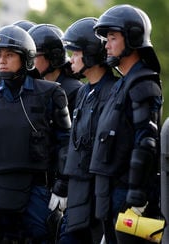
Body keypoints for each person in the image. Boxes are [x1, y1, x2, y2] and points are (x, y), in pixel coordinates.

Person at [0, 24, 71, 243]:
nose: (1, 60)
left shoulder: (51, 93)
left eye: (9, 55)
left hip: (36, 193)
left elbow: (66, 143)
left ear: (26, 58)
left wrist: (62, 187)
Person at [90, 4, 162, 243]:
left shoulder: (143, 83)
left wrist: (136, 197)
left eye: (112, 38)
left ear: (131, 38)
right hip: (110, 196)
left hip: (131, 201)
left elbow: (146, 141)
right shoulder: (122, 84)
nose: (106, 45)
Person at [57, 17, 119, 243]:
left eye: (75, 53)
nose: (70, 59)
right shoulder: (84, 92)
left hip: (98, 204)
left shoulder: (114, 93)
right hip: (77, 199)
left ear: (92, 54)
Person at [28, 24, 83, 117]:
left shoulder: (74, 91)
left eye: (34, 57)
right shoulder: (35, 87)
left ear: (53, 56)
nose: (29, 63)